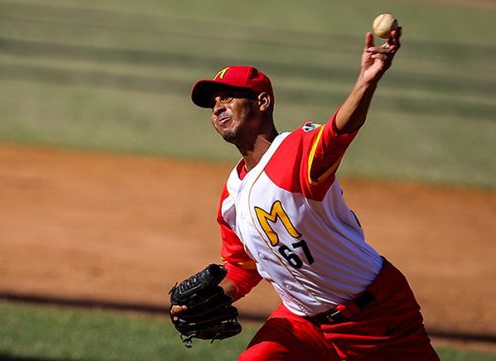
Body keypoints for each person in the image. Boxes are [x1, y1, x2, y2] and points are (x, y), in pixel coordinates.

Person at [172, 28, 440, 360]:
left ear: (262, 102)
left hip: (376, 318)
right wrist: (208, 299)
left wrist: (367, 81)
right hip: (301, 322)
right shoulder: (231, 195)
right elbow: (243, 266)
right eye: (213, 102)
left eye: (228, 96)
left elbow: (337, 133)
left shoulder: (296, 150)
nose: (217, 107)